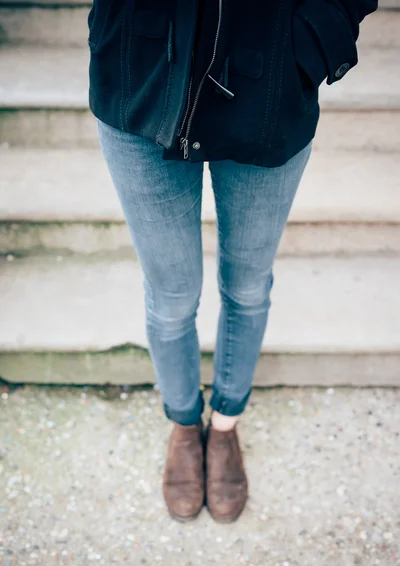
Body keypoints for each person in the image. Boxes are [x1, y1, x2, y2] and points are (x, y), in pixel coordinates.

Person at [87, 0, 377, 523]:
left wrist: (312, 36)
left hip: (266, 86)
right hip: (141, 76)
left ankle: (224, 424)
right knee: (171, 293)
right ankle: (183, 422)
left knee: (247, 286)